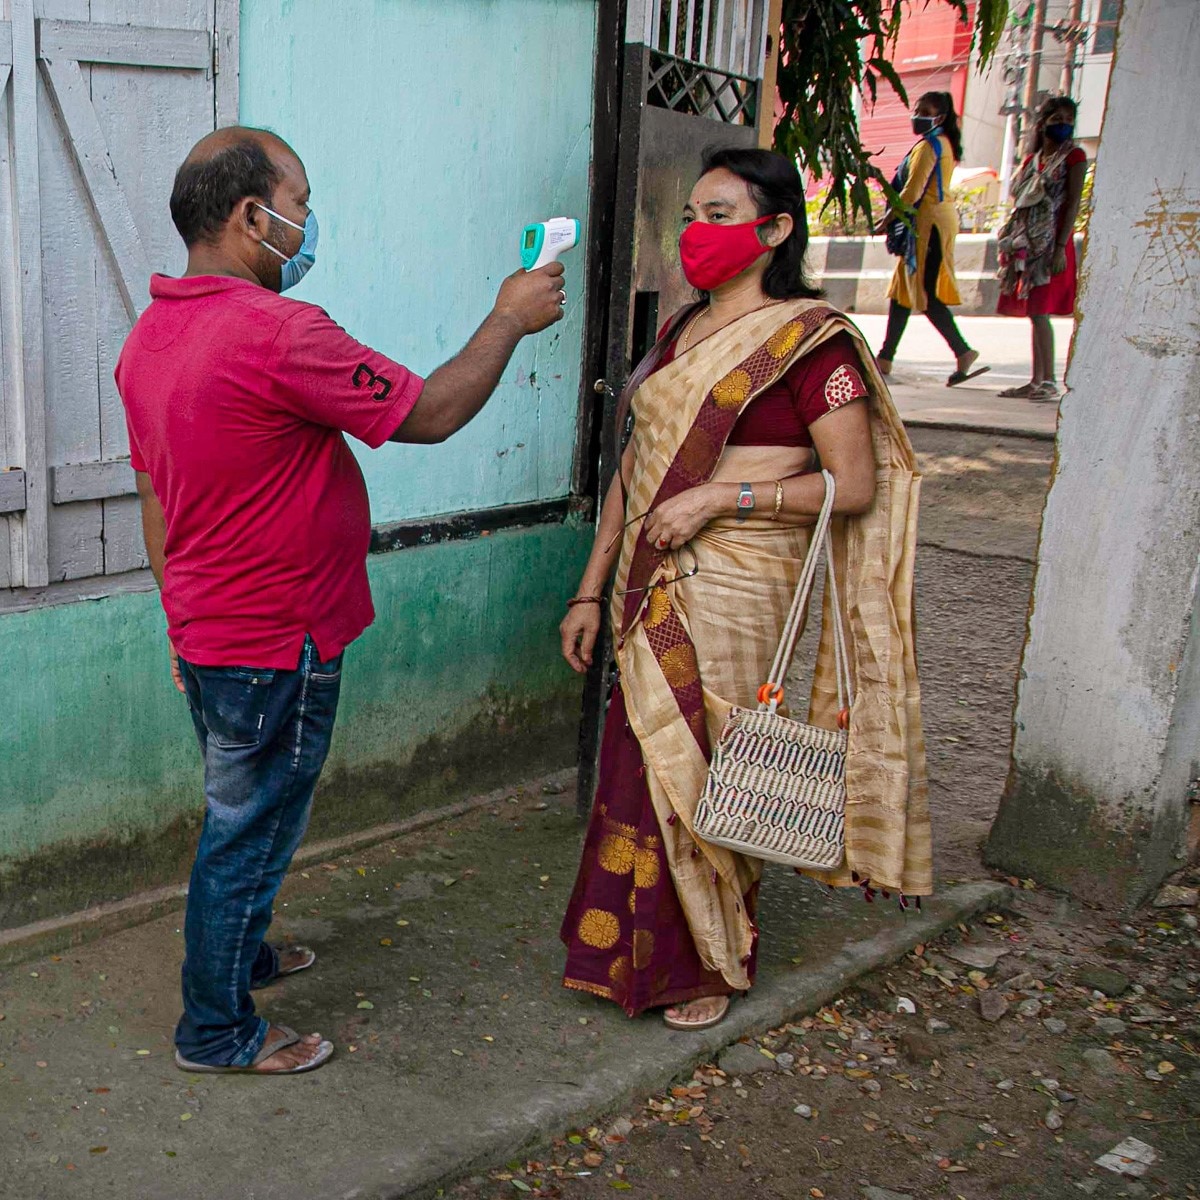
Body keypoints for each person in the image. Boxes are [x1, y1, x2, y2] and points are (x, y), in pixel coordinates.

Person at [116, 127, 565, 1075]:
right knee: (250, 828)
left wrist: (177, 615)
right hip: (277, 641)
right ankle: (216, 1029)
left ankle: (240, 955)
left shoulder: (150, 336)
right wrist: (509, 318)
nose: (308, 222)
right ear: (250, 217)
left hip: (210, 632)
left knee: (245, 814)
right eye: (300, 202)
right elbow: (430, 413)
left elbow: (154, 496)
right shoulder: (280, 332)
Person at [558, 147, 931, 1030]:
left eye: (719, 215)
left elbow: (854, 485)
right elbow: (631, 476)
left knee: (709, 762)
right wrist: (587, 589)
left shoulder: (812, 342)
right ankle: (625, 956)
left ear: (774, 231)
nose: (697, 232)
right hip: (643, 584)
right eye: (692, 213)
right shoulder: (676, 337)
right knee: (642, 760)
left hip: (733, 583)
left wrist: (726, 494)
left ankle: (705, 964)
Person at [875, 92, 987, 387]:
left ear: (939, 117)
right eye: (917, 109)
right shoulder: (941, 143)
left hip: (929, 225)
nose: (918, 115)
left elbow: (912, 192)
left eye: (925, 111)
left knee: (925, 293)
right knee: (902, 290)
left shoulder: (929, 146)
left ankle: (962, 351)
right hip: (929, 222)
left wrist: (886, 220)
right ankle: (885, 357)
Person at [997, 96, 1087, 400]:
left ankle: (1047, 380)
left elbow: (1073, 201)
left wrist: (1061, 246)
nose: (1063, 124)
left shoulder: (1074, 157)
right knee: (1034, 312)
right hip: (1028, 243)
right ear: (1042, 123)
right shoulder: (1032, 160)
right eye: (1056, 118)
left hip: (1052, 244)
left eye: (1068, 119)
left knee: (1041, 311)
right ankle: (1037, 379)